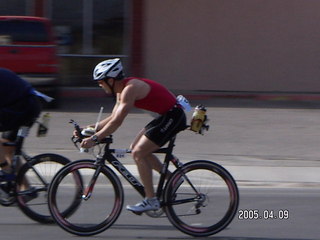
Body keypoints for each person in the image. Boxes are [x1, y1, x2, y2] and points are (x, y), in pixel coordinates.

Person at [79, 58, 187, 213]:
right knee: (135, 149)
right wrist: (88, 128)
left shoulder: (130, 89)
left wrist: (95, 138)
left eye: (101, 82)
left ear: (111, 80)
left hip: (173, 116)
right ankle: (173, 179)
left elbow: (117, 122)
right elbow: (112, 118)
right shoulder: (120, 91)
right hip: (164, 116)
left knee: (139, 152)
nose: (100, 85)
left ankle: (151, 200)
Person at [0, 68, 42, 181]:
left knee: (6, 148)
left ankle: (6, 171)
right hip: (22, 106)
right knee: (9, 149)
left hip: (24, 108)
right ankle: (25, 191)